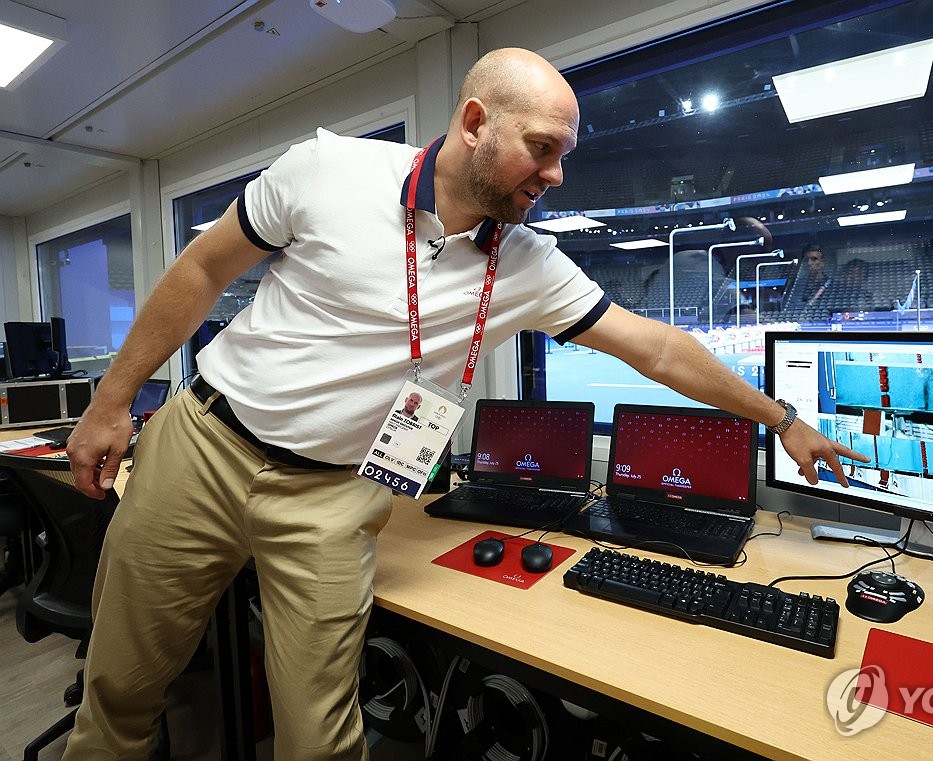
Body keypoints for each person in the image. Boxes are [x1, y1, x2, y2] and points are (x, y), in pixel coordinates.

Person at [63, 48, 867, 760]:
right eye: (542, 149)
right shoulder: (327, 170)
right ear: (476, 122)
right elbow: (202, 270)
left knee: (321, 736)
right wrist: (113, 400)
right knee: (122, 695)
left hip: (334, 496)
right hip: (204, 445)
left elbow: (656, 346)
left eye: (565, 156)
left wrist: (782, 419)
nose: (556, 176)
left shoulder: (527, 263)